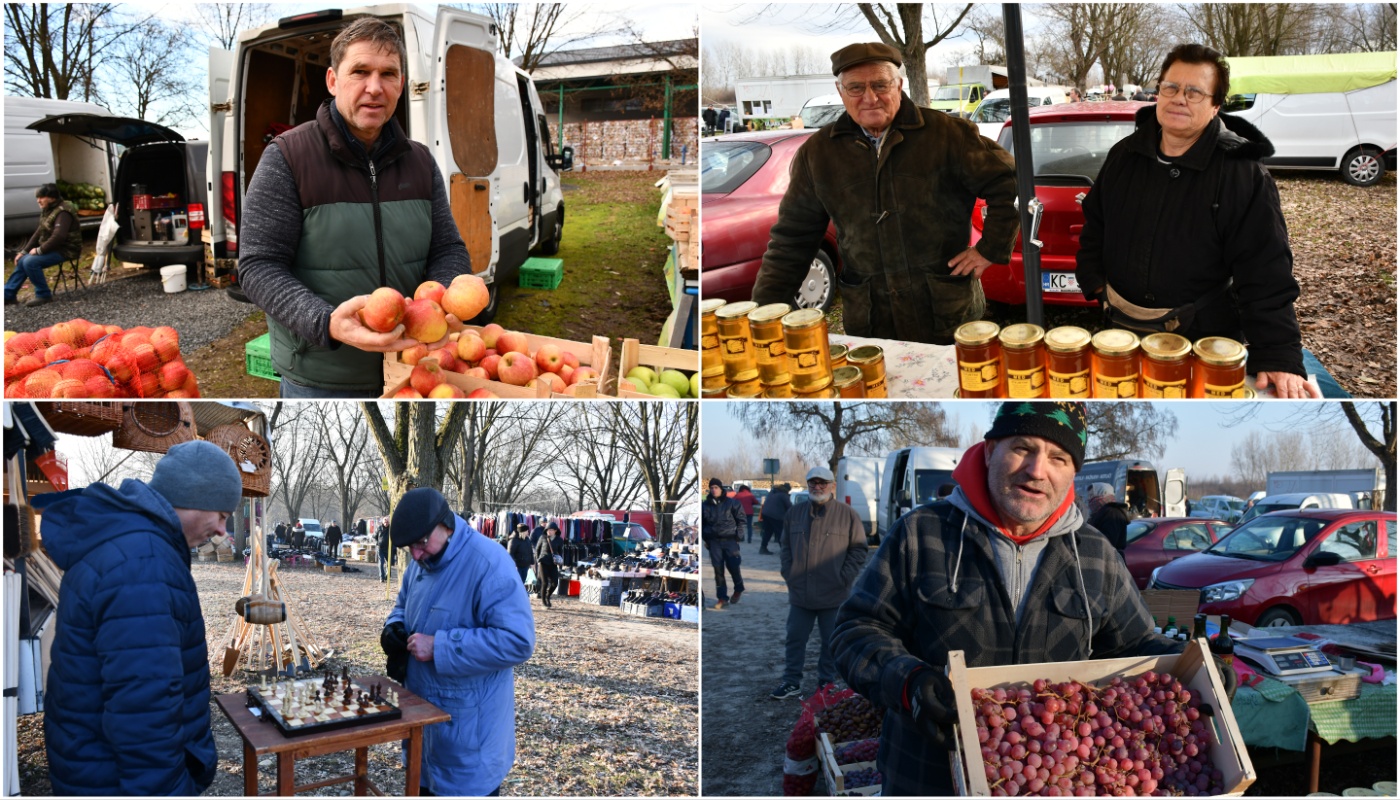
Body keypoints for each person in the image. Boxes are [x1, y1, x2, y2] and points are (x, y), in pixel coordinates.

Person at [831, 402, 1186, 796]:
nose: (1037, 470)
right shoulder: (920, 533)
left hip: (1050, 781)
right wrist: (908, 682)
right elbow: (855, 629)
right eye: (1022, 448)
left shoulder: (1095, 554)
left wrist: (1191, 666)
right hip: (928, 777)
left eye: (1058, 457)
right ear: (989, 451)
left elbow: (1134, 645)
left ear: (1073, 473)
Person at [237, 17, 473, 398]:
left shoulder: (421, 162)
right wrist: (326, 322)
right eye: (360, 71)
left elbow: (447, 248)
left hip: (409, 372)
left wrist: (442, 300)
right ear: (332, 81)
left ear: (401, 83)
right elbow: (257, 266)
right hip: (322, 377)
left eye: (388, 74)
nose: (375, 88)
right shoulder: (287, 157)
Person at [1076, 43, 1320, 399]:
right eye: (1171, 87)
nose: (1179, 99)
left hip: (1204, 342)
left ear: (1216, 105)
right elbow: (1095, 224)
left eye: (1194, 92)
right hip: (1122, 332)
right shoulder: (1123, 155)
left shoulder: (1243, 174)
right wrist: (1096, 283)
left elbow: (1265, 268)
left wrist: (1279, 352)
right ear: (1157, 92)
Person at [751, 42, 1019, 345]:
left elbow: (1009, 181)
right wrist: (765, 316)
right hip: (870, 319)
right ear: (840, 92)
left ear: (899, 85)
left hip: (947, 311)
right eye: (855, 88)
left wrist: (991, 247)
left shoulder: (948, 134)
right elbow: (791, 240)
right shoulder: (818, 154)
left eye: (880, 84)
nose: (870, 97)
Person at [37, 441, 242, 795]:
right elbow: (144, 706)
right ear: (192, 498)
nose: (223, 530)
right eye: (221, 515)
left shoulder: (129, 542)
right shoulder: (142, 561)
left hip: (93, 763)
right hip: (113, 777)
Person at [380, 488, 534, 795]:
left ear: (446, 524)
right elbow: (402, 606)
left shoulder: (488, 563)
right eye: (409, 546)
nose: (415, 554)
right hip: (422, 725)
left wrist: (439, 646)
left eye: (421, 543)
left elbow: (517, 640)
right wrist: (394, 628)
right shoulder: (419, 565)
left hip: (469, 736)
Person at [771, 466, 868, 700]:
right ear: (807, 485)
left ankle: (827, 683)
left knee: (831, 641)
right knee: (795, 638)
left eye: (822, 483)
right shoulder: (795, 513)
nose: (817, 487)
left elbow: (859, 549)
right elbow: (785, 547)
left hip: (834, 593)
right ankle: (791, 681)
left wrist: (844, 578)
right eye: (813, 483)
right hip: (800, 593)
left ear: (832, 485)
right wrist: (789, 573)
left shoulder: (848, 515)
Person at [5, 183, 80, 307]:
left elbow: (59, 237)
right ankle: (8, 295)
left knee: (30, 262)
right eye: (37, 197)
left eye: (41, 197)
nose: (38, 200)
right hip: (53, 248)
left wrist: (40, 250)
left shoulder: (63, 212)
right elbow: (39, 232)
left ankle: (43, 295)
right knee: (23, 259)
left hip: (66, 250)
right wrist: (23, 251)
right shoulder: (48, 209)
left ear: (52, 198)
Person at [702, 477, 746, 610]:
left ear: (721, 489)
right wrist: (706, 539)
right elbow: (703, 524)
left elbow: (741, 520)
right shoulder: (705, 505)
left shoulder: (733, 503)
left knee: (734, 566)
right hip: (714, 541)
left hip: (730, 539)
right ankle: (722, 598)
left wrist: (738, 536)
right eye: (711, 488)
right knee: (718, 571)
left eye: (716, 487)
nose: (714, 490)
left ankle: (739, 588)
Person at [1086, 482, 1131, 552]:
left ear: (1102, 495)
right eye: (1089, 496)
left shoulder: (1112, 513)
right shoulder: (1102, 512)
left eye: (1092, 496)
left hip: (1110, 559)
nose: (1089, 499)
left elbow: (1108, 541)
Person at [759, 483, 792, 555]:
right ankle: (784, 550)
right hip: (776, 516)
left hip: (766, 514)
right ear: (787, 489)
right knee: (780, 532)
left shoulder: (773, 492)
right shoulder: (783, 495)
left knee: (768, 531)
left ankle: (763, 548)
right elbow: (789, 507)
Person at [533, 526, 561, 609]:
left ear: (555, 531)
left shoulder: (559, 540)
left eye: (551, 530)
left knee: (555, 583)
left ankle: (548, 595)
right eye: (548, 530)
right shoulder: (542, 537)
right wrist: (538, 560)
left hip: (553, 563)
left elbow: (560, 551)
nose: (549, 531)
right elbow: (537, 549)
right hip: (543, 562)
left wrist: (560, 561)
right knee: (544, 582)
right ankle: (544, 601)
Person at [377, 516, 395, 581]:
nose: (386, 523)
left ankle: (387, 576)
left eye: (387, 522)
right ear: (382, 522)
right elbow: (375, 536)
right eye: (385, 522)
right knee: (381, 562)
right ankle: (381, 577)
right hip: (380, 548)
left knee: (389, 563)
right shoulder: (379, 528)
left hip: (388, 548)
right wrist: (377, 543)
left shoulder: (391, 529)